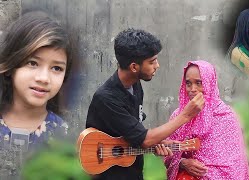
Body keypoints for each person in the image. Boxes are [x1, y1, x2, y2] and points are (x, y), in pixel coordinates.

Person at [86, 28, 204, 180]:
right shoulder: (106, 98)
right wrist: (186, 115)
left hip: (133, 172)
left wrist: (158, 143)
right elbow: (145, 139)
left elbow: (134, 133)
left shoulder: (135, 85)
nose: (157, 65)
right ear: (134, 67)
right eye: (152, 61)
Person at [164, 60, 249, 180]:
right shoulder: (178, 116)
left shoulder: (226, 116)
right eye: (188, 83)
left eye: (199, 83)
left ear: (209, 83)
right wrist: (182, 162)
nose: (192, 89)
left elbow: (234, 166)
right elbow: (167, 155)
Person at [0, 12, 71, 151]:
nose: (44, 78)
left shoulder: (62, 134)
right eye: (32, 63)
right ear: (10, 66)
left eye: (56, 68)